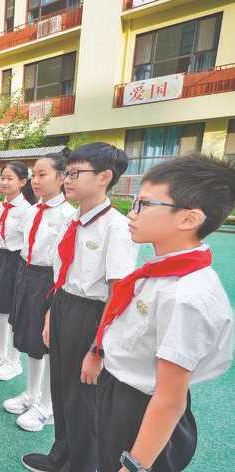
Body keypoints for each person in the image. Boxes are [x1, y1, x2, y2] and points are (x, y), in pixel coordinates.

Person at [82, 156, 234, 472]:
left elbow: (169, 400)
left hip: (143, 408)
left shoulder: (186, 296)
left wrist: (135, 466)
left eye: (143, 205)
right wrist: (98, 352)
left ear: (189, 219)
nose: (131, 214)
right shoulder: (160, 270)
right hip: (119, 390)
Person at [22, 143, 138, 472]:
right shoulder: (75, 219)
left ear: (104, 177)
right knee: (61, 389)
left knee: (84, 398)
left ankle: (81, 465)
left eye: (75, 173)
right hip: (63, 306)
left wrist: (97, 349)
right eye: (67, 172)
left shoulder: (115, 228)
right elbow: (63, 274)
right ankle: (61, 454)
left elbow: (118, 293)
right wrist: (50, 314)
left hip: (92, 314)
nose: (67, 179)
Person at [3, 155, 74, 433]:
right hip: (27, 273)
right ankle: (32, 394)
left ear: (61, 177)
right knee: (30, 339)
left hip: (49, 279)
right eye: (34, 174)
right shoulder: (34, 210)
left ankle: (48, 405)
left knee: (47, 342)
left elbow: (63, 262)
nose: (35, 180)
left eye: (43, 175)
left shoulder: (68, 216)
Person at [0, 162, 33, 379]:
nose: (4, 182)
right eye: (2, 177)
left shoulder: (27, 210)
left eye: (10, 178)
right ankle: (0, 354)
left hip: (15, 262)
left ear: (22, 182)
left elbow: (28, 243)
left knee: (13, 312)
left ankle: (14, 360)